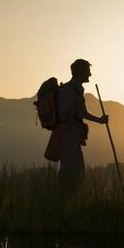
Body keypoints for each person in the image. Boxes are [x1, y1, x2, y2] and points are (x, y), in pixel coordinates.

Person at [51, 58, 109, 194]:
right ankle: (62, 201)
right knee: (72, 170)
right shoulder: (69, 90)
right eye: (88, 71)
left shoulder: (77, 89)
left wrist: (99, 120)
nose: (90, 75)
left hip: (72, 136)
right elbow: (65, 114)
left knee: (75, 169)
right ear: (80, 72)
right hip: (67, 136)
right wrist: (75, 110)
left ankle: (65, 200)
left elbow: (82, 113)